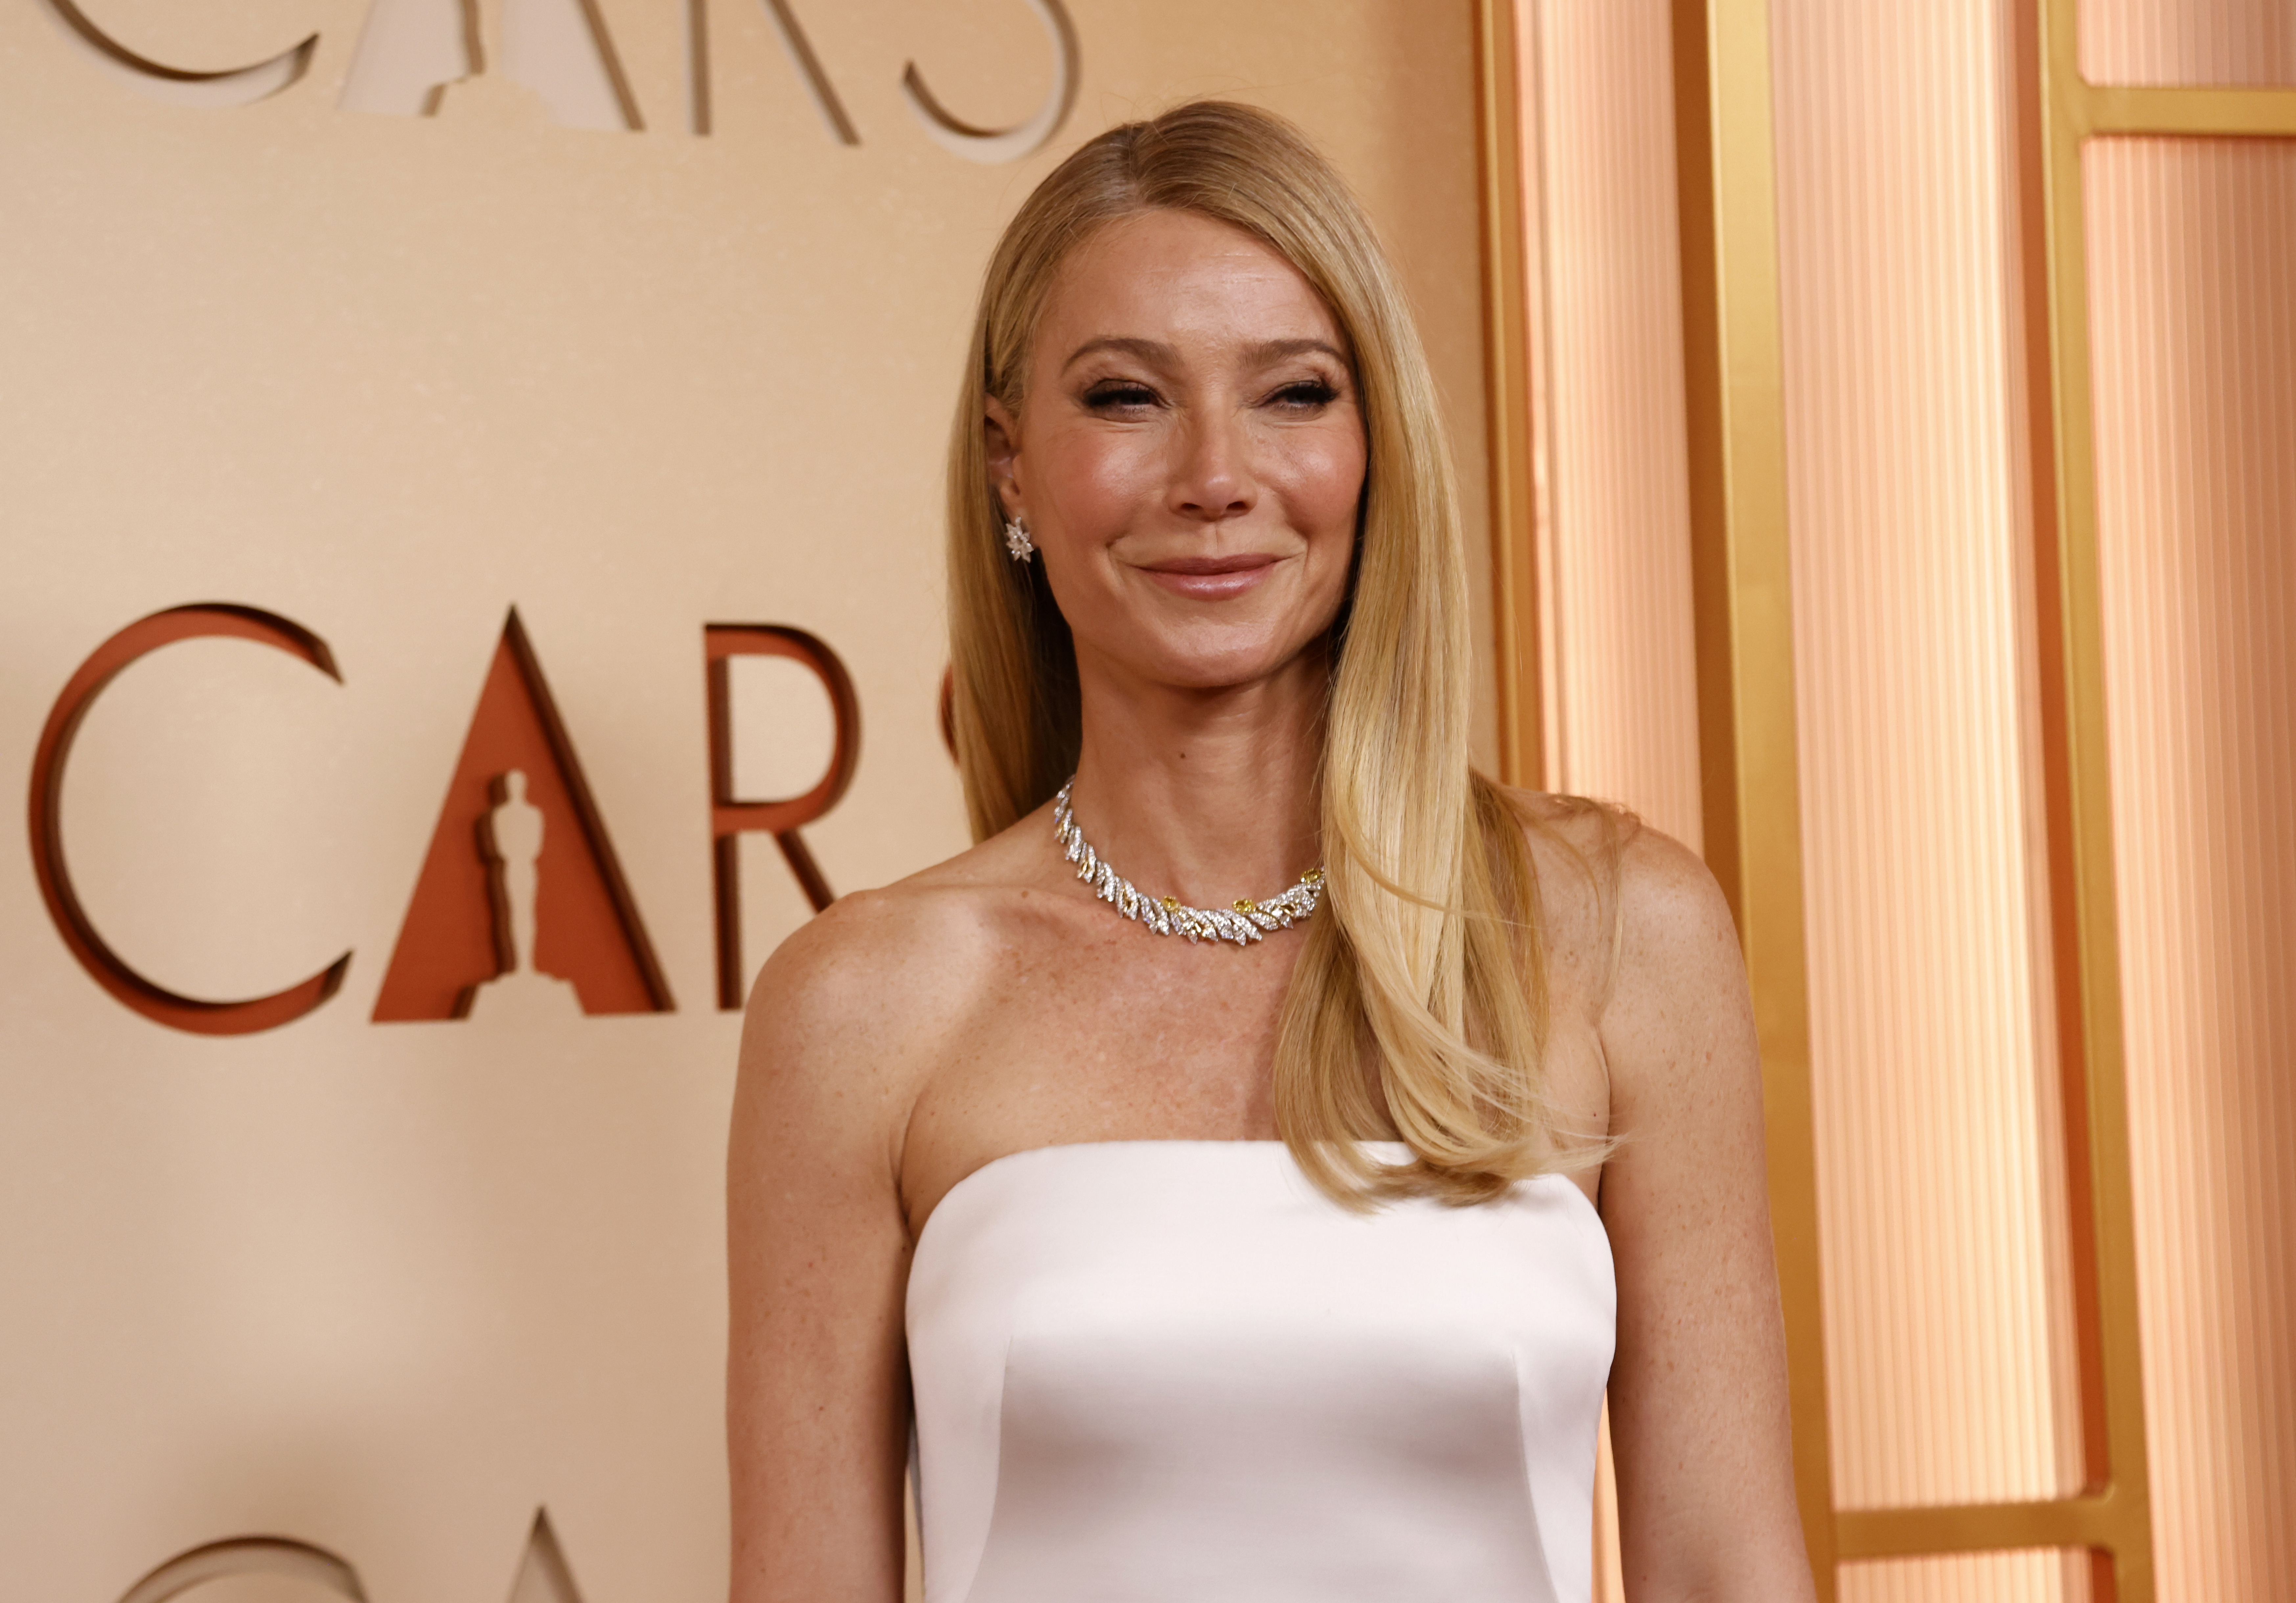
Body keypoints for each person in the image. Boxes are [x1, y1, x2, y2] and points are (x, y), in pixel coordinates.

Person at [726, 100, 1812, 1603]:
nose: (1214, 476)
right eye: (1125, 398)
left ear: (1375, 446)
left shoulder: (1621, 932)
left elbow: (1721, 1566)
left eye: (1293, 394)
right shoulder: (862, 1002)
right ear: (1009, 467)